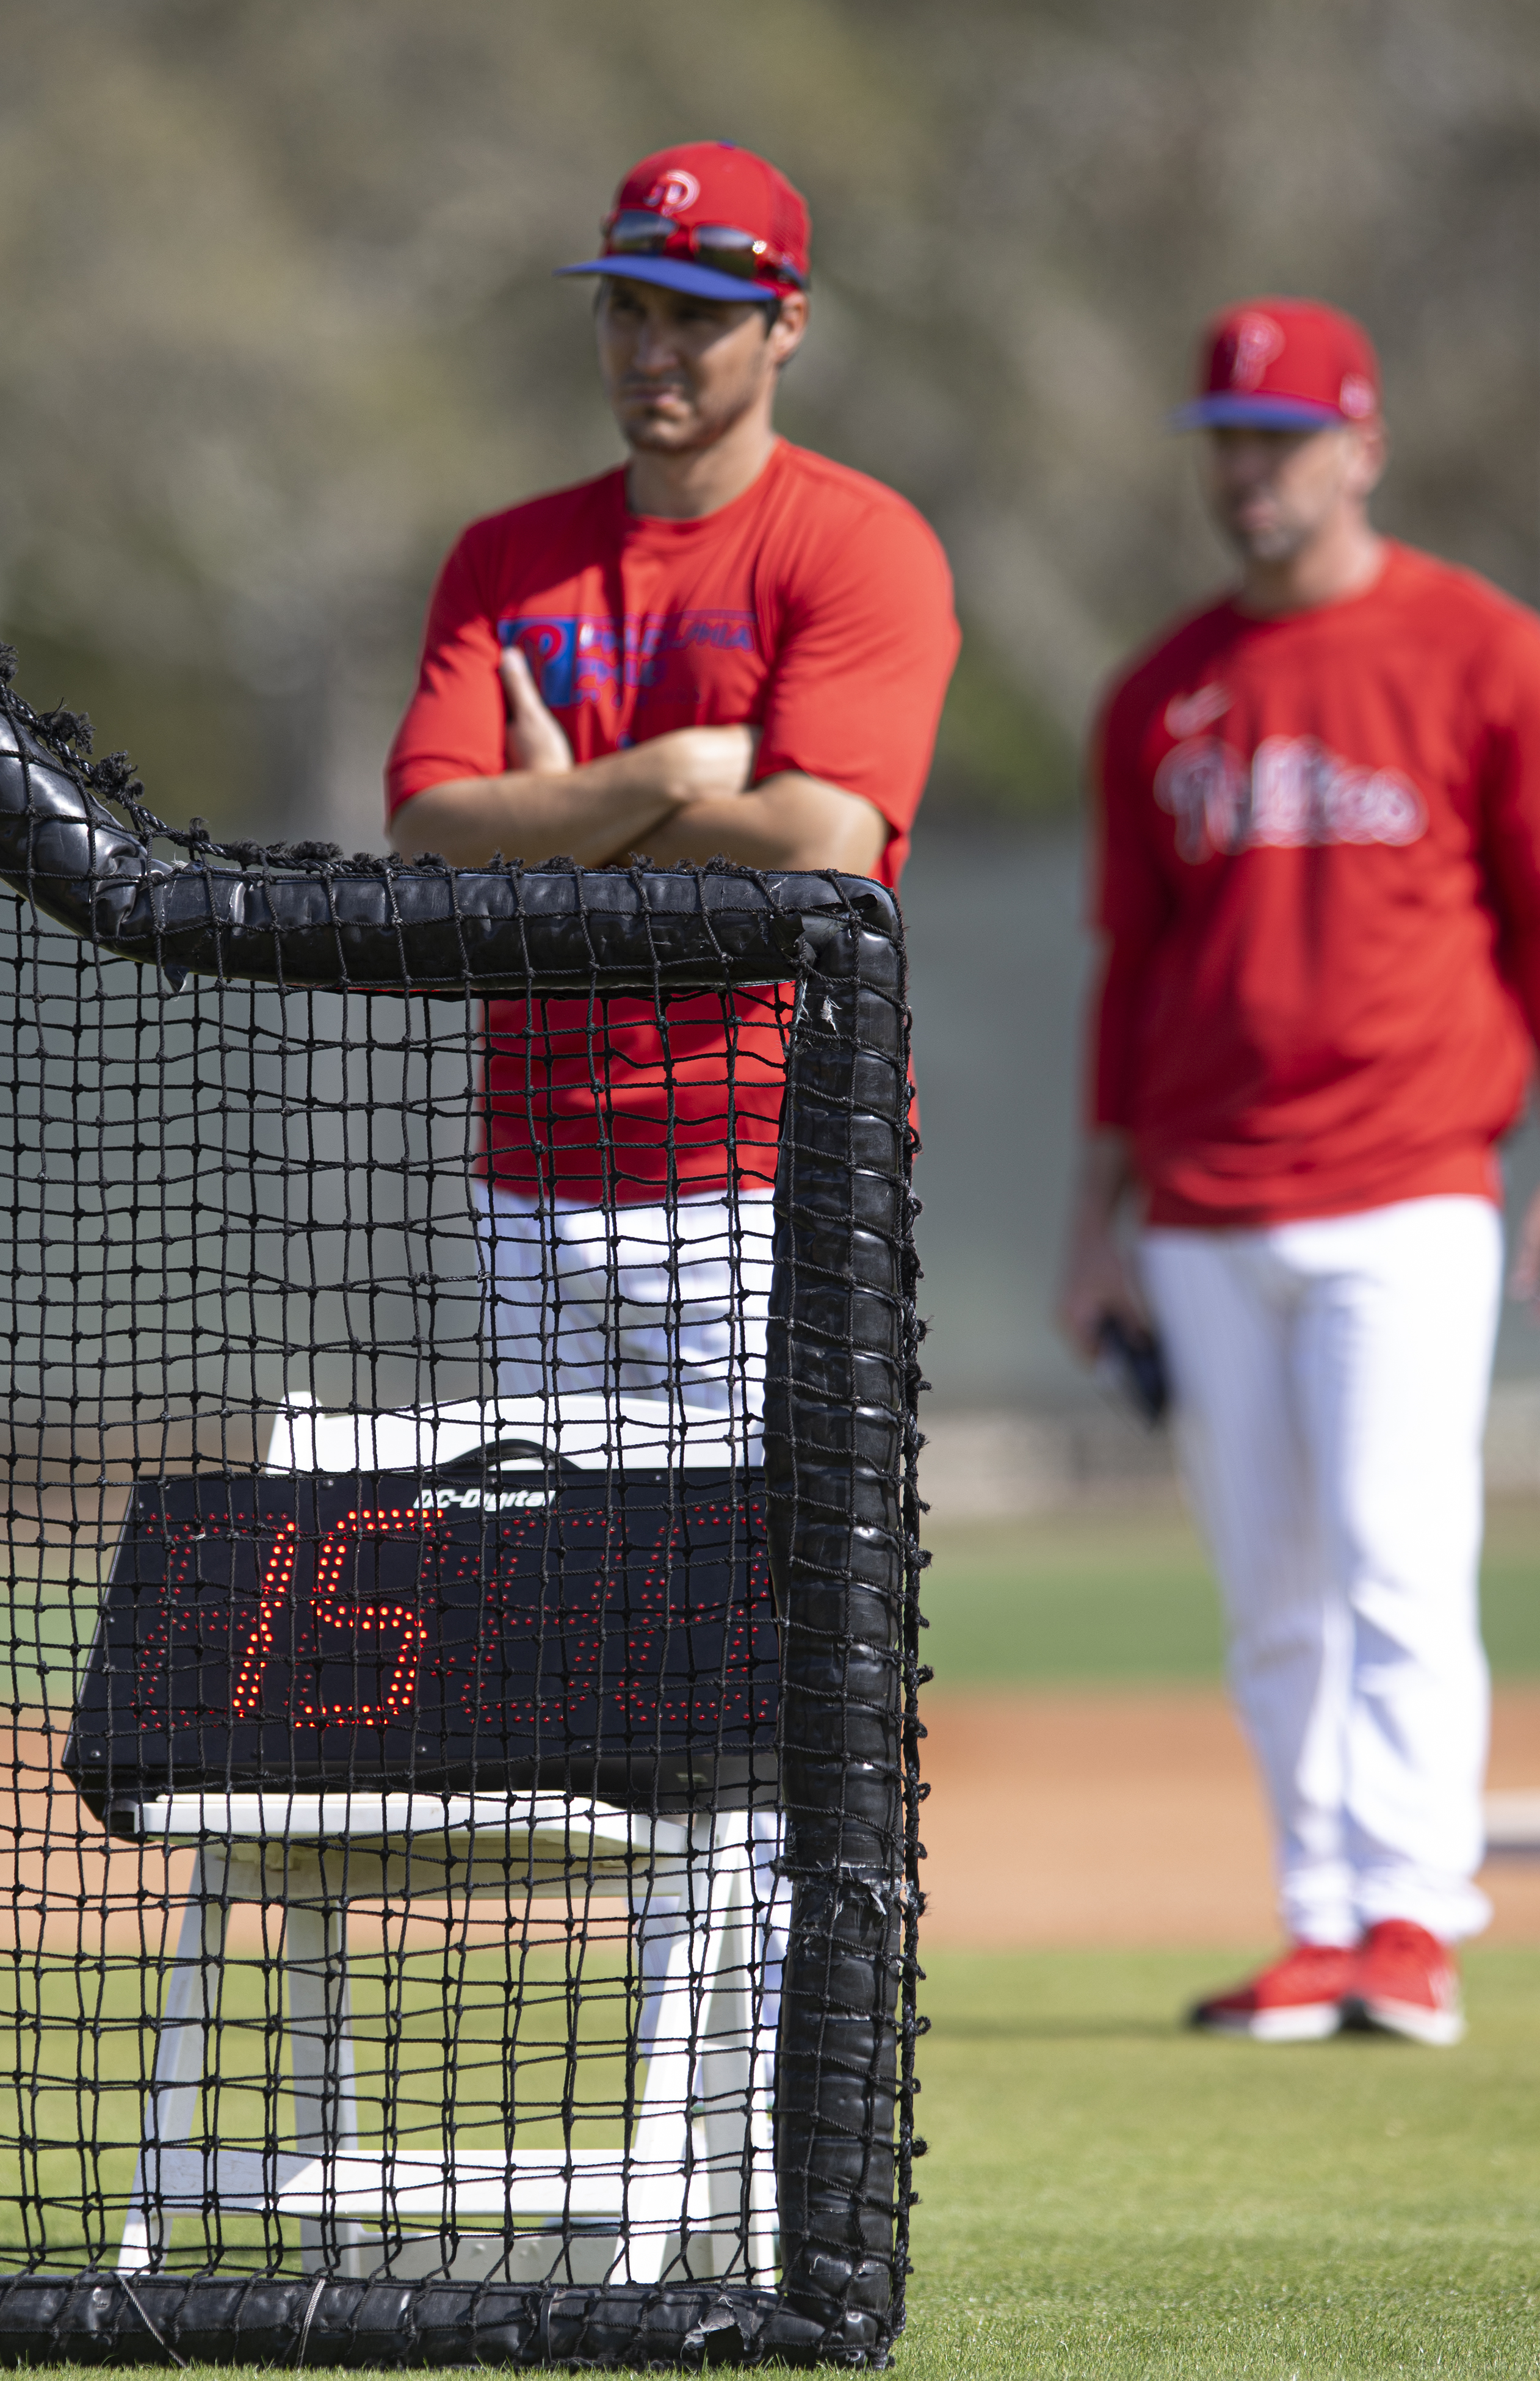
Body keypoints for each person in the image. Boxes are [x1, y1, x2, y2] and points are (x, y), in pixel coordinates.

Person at [1058, 295, 1540, 2046]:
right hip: (1200, 1202)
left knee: (1398, 1555)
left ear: (1364, 444)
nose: (1251, 472)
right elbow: (1133, 970)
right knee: (1269, 1586)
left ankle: (1413, 1919)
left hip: (1412, 1176)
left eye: (1283, 437)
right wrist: (1090, 1221)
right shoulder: (1162, 693)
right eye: (1228, 441)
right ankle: (1322, 1918)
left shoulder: (1485, 653)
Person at [386, 139, 957, 1428]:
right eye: (625, 306)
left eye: (696, 316)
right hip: (533, 1169)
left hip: (765, 1167)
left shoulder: (858, 544)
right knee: (558, 1613)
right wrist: (659, 774)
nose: (652, 347)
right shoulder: (505, 558)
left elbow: (819, 844)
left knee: (762, 1610)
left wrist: (553, 811)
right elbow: (427, 846)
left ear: (785, 326)